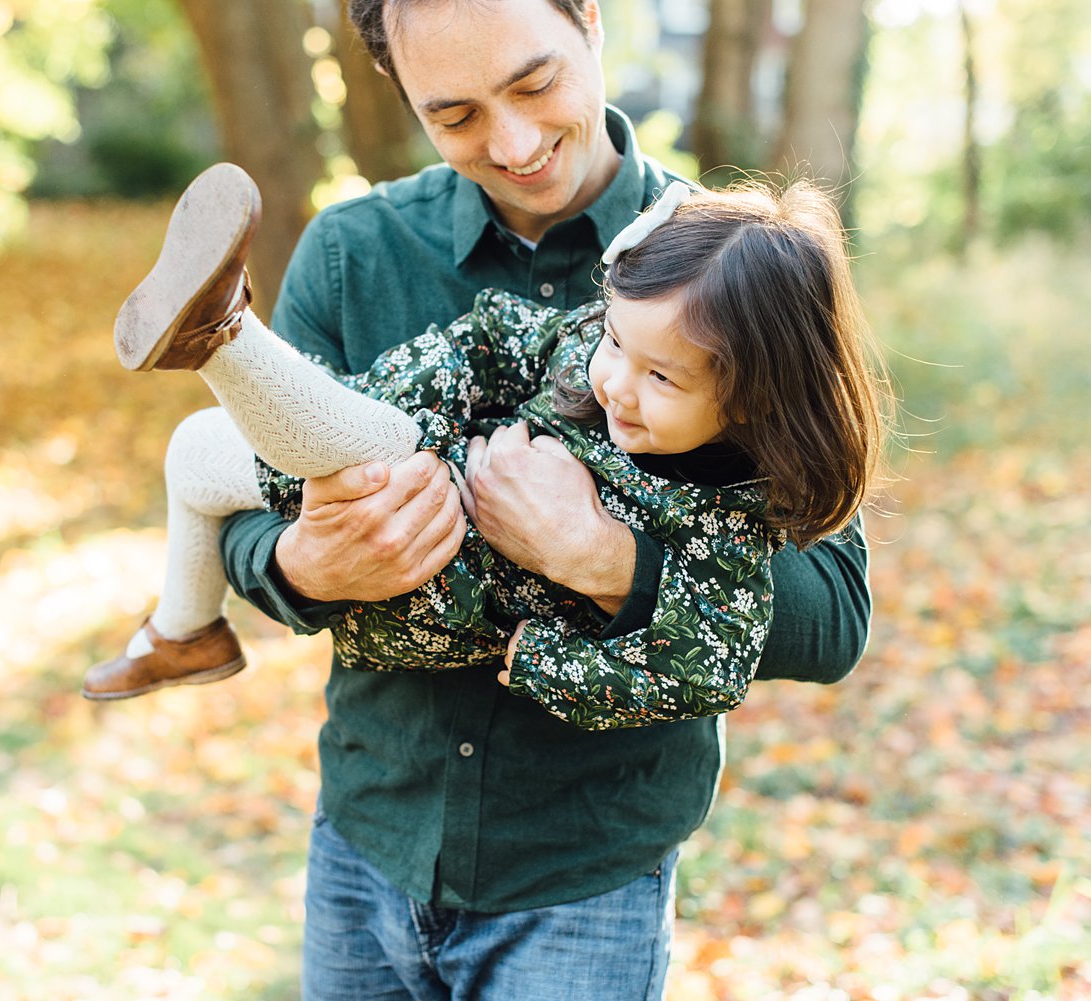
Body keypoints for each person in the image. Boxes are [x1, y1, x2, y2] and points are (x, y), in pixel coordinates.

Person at [104, 0, 873, 996]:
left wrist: (600, 556)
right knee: (257, 450)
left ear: (590, 21)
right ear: (399, 93)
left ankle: (223, 337)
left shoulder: (734, 273)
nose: (512, 143)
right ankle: (220, 354)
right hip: (368, 840)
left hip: (582, 879)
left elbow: (834, 621)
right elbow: (247, 524)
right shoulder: (353, 252)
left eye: (534, 83)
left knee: (346, 441)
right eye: (456, 113)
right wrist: (305, 563)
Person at [83, 164, 886, 744]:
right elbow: (495, 339)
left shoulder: (732, 532)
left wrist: (545, 648)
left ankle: (223, 333)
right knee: (200, 450)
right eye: (614, 341)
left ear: (753, 397)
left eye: (662, 378)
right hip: (405, 505)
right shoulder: (622, 323)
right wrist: (305, 555)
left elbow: (696, 672)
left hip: (453, 594)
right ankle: (183, 633)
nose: (614, 383)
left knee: (388, 458)